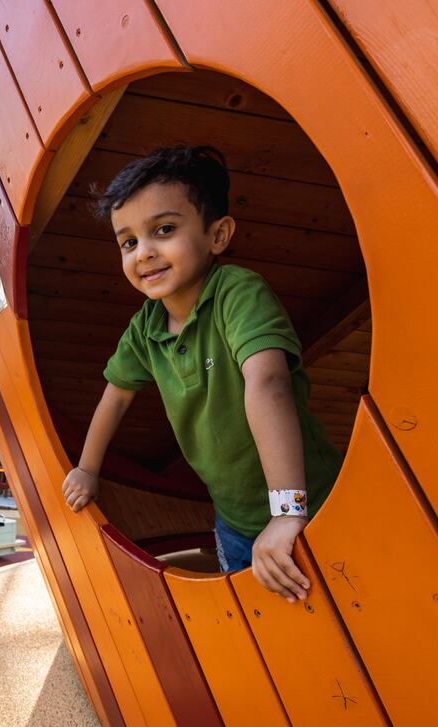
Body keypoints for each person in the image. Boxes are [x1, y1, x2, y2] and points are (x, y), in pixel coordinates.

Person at [61, 145, 342, 602]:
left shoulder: (237, 294)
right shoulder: (145, 328)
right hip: (233, 519)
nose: (144, 253)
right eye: (129, 241)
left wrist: (288, 512)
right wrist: (87, 470)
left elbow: (267, 383)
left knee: (332, 605)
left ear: (218, 235)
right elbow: (114, 397)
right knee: (259, 620)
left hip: (313, 503)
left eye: (164, 230)